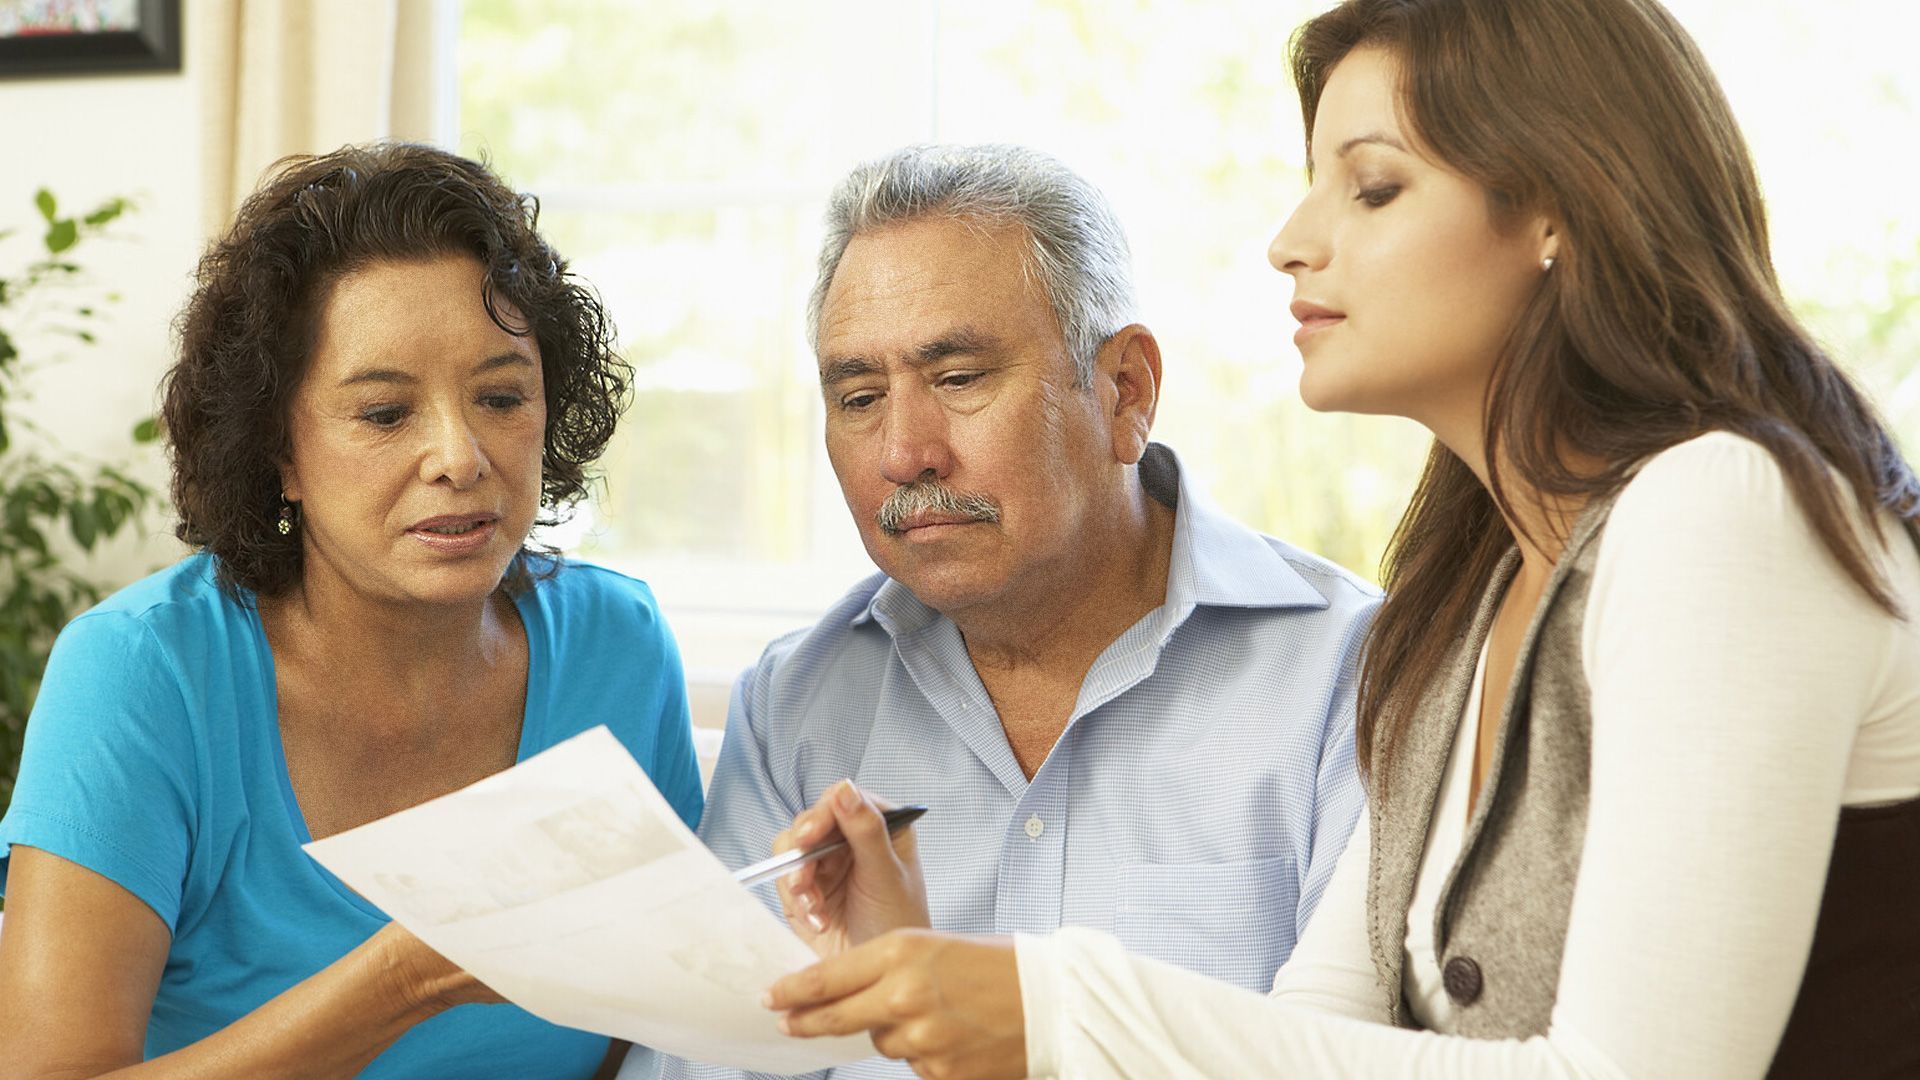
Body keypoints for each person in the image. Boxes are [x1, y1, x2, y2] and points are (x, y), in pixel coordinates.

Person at [758, 1, 1920, 1077]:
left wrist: (1059, 1006)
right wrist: (932, 1010)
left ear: (1562, 208)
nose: (1291, 240)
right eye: (1311, 182)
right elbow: (1320, 1038)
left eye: (1371, 189)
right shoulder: (1460, 593)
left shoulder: (1718, 508)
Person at [641, 144, 1380, 1080]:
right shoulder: (797, 704)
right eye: (860, 397)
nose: (906, 453)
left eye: (958, 379)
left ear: (1126, 390)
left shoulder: (1351, 677)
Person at [0, 142, 704, 1078]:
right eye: (383, 414)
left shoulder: (619, 645)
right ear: (278, 450)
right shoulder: (142, 675)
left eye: (501, 397)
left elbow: (660, 1025)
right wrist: (403, 980)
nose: (460, 455)